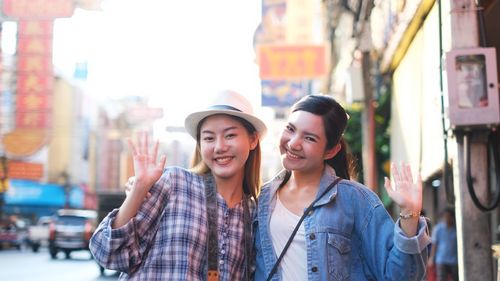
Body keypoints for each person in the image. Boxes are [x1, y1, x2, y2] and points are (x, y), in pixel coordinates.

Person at [90, 90, 267, 280]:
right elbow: (107, 253)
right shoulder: (175, 184)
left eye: (230, 135)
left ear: (252, 140)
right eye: (208, 138)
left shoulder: (254, 214)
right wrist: (138, 190)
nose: (219, 147)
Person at [254, 94, 431, 281]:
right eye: (290, 129)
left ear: (331, 150)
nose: (293, 143)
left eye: (309, 138)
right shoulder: (261, 198)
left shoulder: (355, 200)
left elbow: (399, 277)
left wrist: (410, 214)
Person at [428, 207, 458, 281]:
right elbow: (435, 244)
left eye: (449, 216)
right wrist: (432, 257)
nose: (447, 218)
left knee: (455, 278)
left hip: (454, 260)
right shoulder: (438, 229)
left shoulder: (456, 229)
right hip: (441, 259)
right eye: (446, 216)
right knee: (441, 278)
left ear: (452, 217)